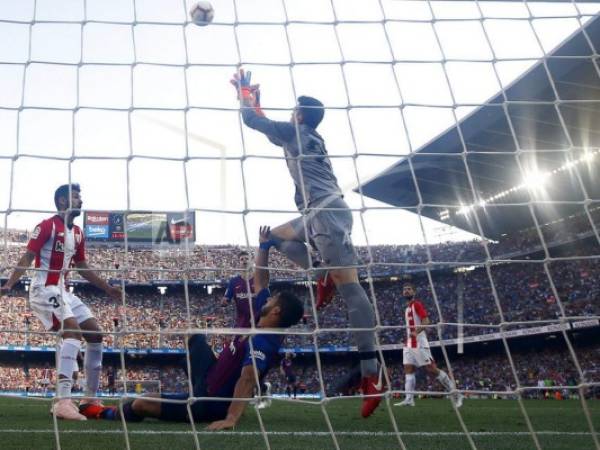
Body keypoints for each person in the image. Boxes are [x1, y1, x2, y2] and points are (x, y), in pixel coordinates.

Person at [231, 69, 383, 418]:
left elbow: (250, 121)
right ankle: (321, 273)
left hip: (326, 216)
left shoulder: (296, 132)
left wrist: (244, 93)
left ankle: (371, 373)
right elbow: (270, 130)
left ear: (298, 114)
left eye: (292, 110)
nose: (289, 115)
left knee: (352, 289)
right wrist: (257, 101)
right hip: (317, 214)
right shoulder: (305, 135)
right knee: (271, 237)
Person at [95, 226, 304, 430]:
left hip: (210, 402)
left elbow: (248, 378)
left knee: (141, 403)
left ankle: (105, 413)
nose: (266, 297)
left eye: (272, 300)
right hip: (209, 373)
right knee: (194, 336)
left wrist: (231, 418)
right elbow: (261, 281)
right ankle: (194, 385)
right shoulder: (261, 313)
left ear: (276, 311)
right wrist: (263, 247)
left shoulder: (264, 341)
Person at [0, 183, 121, 420]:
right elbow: (28, 255)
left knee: (96, 334)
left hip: (65, 291)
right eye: (76, 197)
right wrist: (9, 283)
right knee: (73, 333)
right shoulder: (46, 226)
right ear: (63, 202)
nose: (81, 201)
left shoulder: (78, 233)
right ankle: (63, 401)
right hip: (44, 289)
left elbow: (83, 267)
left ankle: (89, 399)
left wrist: (107, 288)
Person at [394, 282, 463, 408]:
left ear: (414, 292)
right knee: (408, 369)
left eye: (409, 289)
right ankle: (409, 399)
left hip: (419, 342)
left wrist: (416, 332)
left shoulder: (417, 304)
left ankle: (456, 394)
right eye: (404, 289)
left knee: (431, 369)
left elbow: (426, 321)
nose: (406, 291)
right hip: (409, 343)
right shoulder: (407, 308)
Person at [221, 250, 259, 329]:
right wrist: (224, 301)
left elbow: (267, 299)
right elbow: (225, 300)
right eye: (242, 259)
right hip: (241, 324)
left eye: (247, 258)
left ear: (251, 261)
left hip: (258, 323)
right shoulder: (233, 281)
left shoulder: (259, 279)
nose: (244, 260)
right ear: (239, 263)